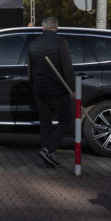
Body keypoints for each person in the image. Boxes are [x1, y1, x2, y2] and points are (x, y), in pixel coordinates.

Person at [27, 16, 74, 168]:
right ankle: (48, 149)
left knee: (45, 122)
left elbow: (30, 71)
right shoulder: (61, 42)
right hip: (58, 90)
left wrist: (34, 87)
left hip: (39, 89)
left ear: (42, 27)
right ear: (57, 28)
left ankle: (47, 153)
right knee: (66, 120)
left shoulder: (33, 44)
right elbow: (67, 68)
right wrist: (72, 89)